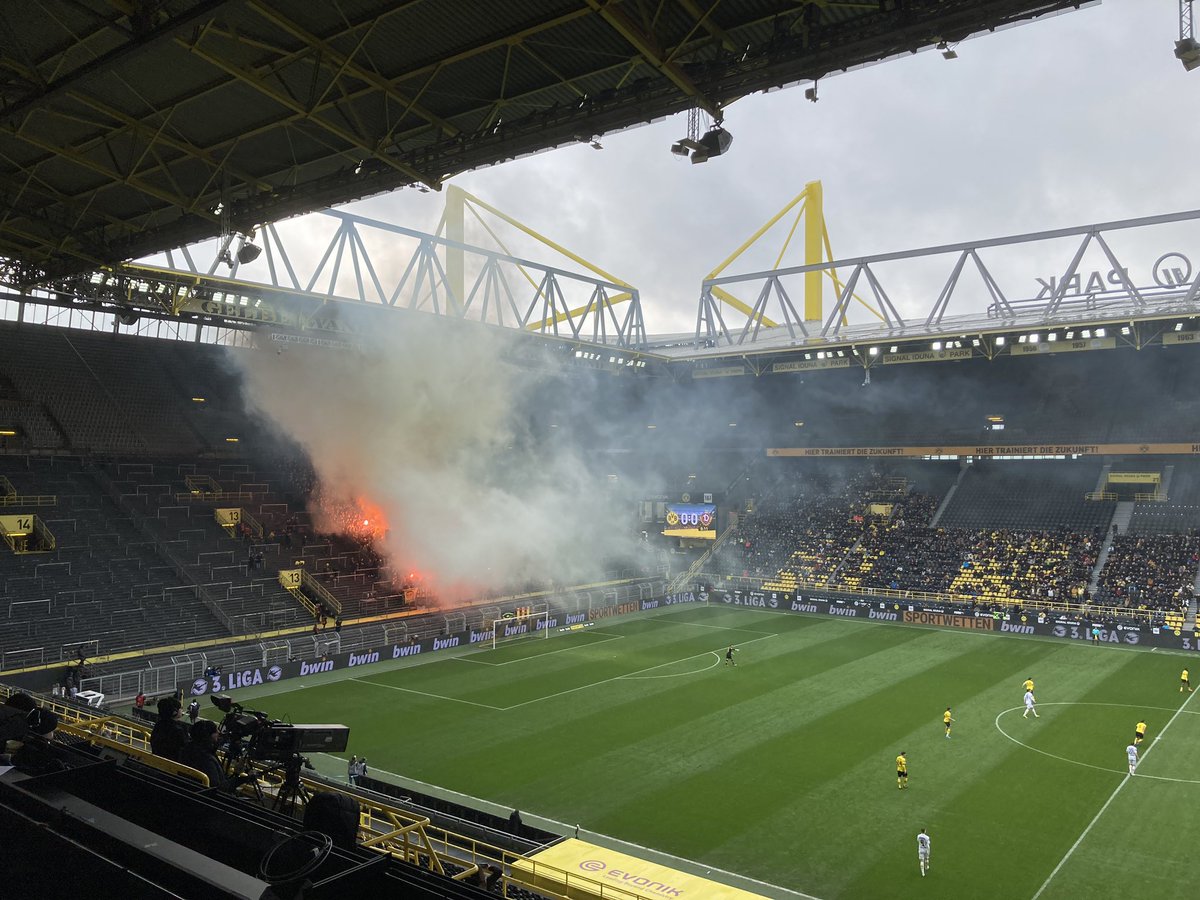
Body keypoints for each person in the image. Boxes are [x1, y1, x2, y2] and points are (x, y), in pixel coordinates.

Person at [180, 718, 227, 791]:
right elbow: (220, 789)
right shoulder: (207, 759)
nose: (218, 732)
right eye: (216, 731)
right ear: (209, 736)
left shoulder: (185, 749)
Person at [150, 696, 189, 761]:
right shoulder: (178, 730)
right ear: (174, 712)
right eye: (180, 708)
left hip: (158, 761)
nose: (181, 710)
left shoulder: (158, 725)